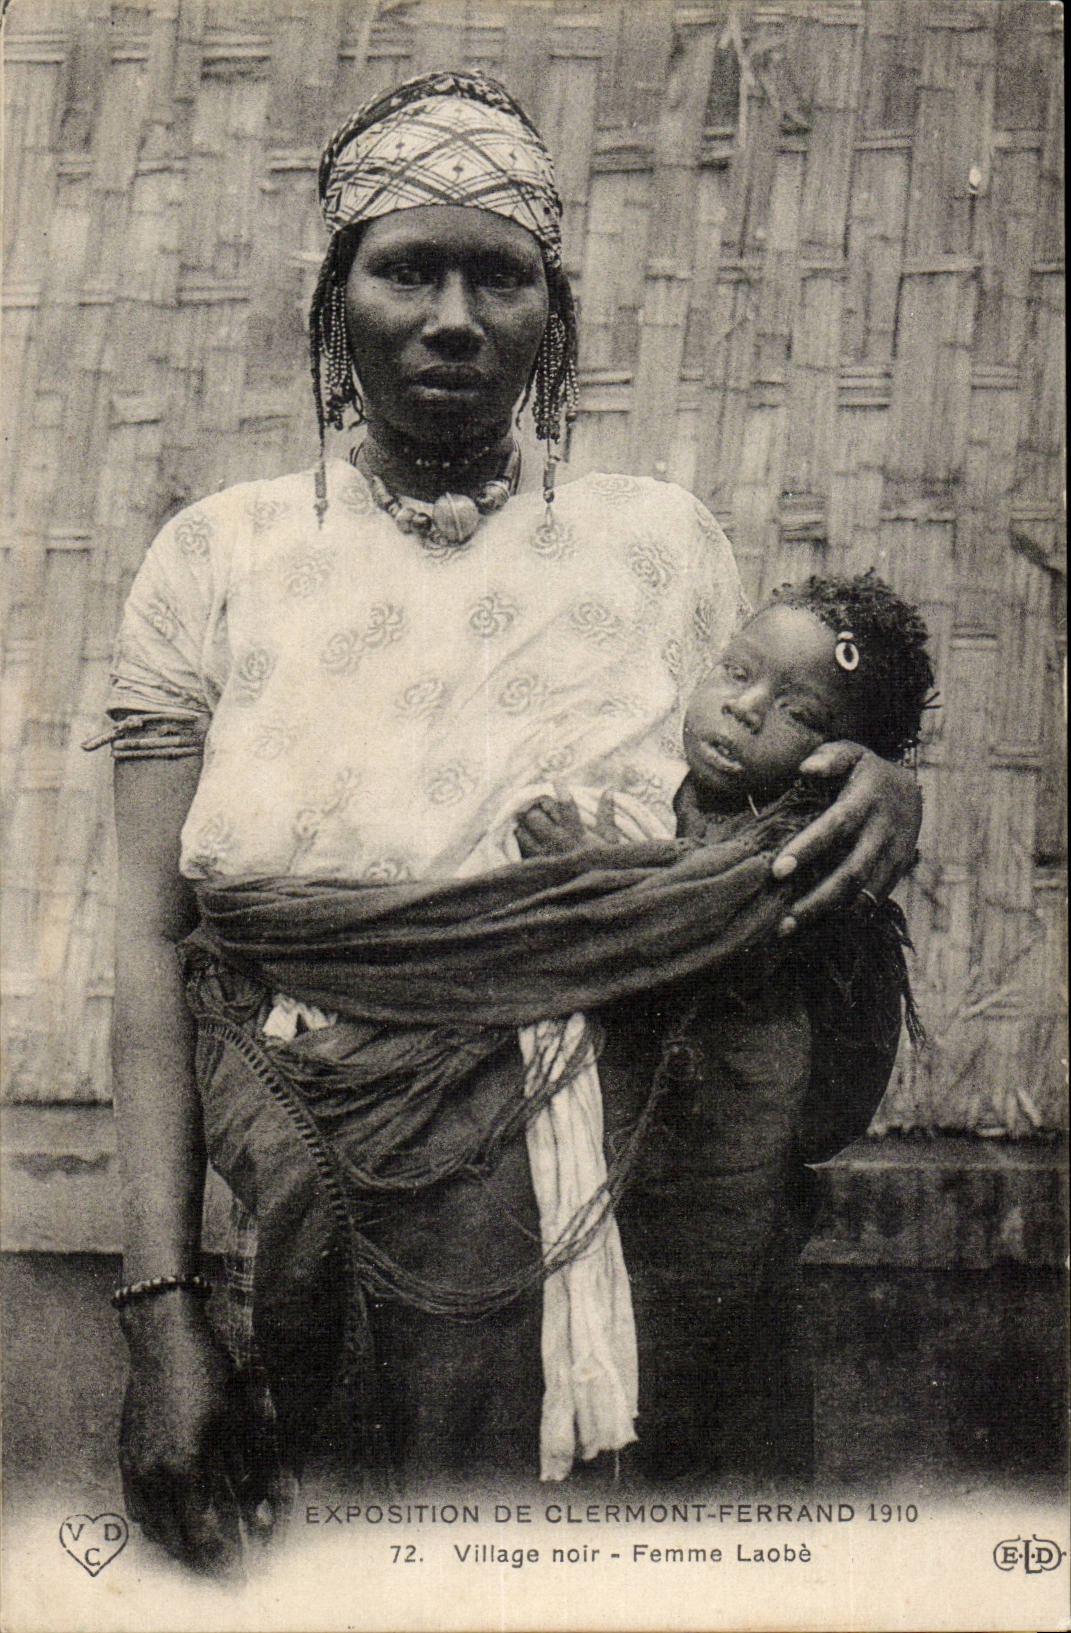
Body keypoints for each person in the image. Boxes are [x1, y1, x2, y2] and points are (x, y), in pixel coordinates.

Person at [91, 71, 923, 1573]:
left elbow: (744, 815)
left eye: (502, 273)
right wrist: (161, 1318)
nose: (455, 316)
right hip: (341, 1187)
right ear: (333, 294)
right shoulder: (217, 558)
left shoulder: (655, 542)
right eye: (407, 266)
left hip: (657, 1196)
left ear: (558, 306)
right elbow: (154, 945)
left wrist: (880, 784)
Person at [515, 572, 934, 1480]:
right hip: (610, 1188)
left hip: (730, 1217)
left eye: (801, 713)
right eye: (735, 671)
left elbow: (706, 924)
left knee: (717, 1453)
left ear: (847, 760)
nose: (743, 709)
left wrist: (602, 884)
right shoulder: (641, 798)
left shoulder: (812, 860)